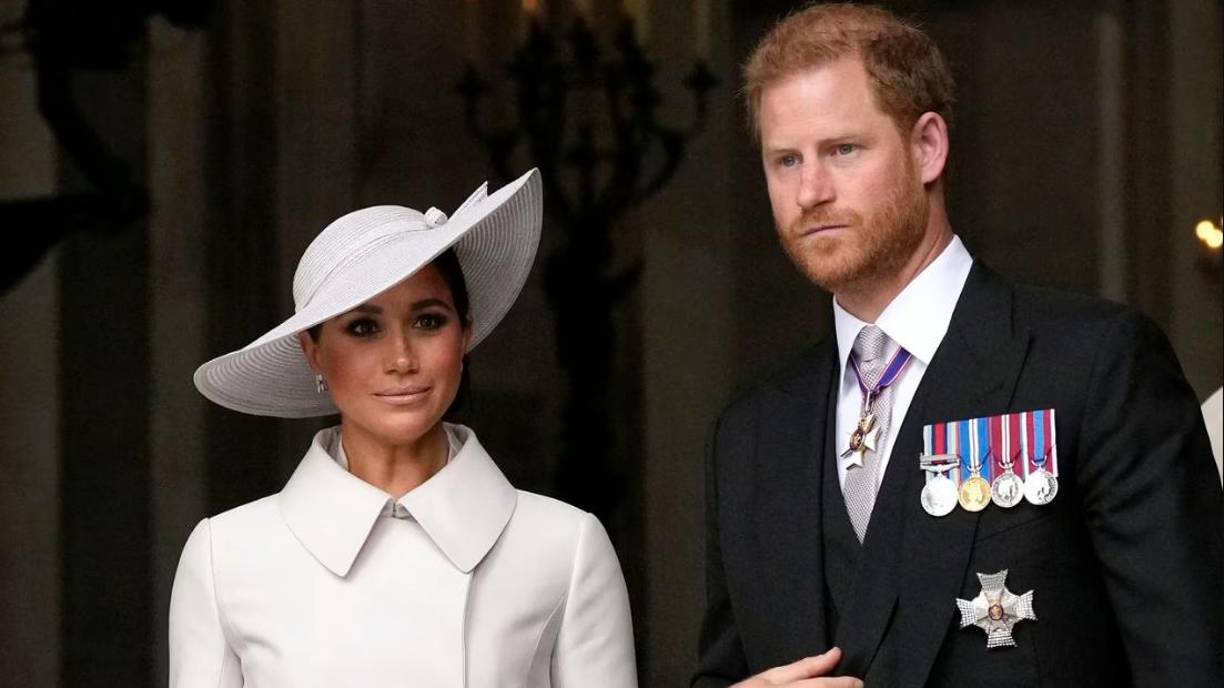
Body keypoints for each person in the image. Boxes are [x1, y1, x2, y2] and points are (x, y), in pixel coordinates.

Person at [694, 4, 1223, 687]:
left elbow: (1191, 666)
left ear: (927, 148)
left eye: (843, 150)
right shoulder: (749, 436)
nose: (809, 191)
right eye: (785, 160)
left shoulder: (1094, 368)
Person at [170, 169, 638, 687]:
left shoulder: (564, 546)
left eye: (428, 321)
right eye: (363, 327)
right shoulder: (226, 557)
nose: (401, 358)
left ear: (466, 332)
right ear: (313, 352)